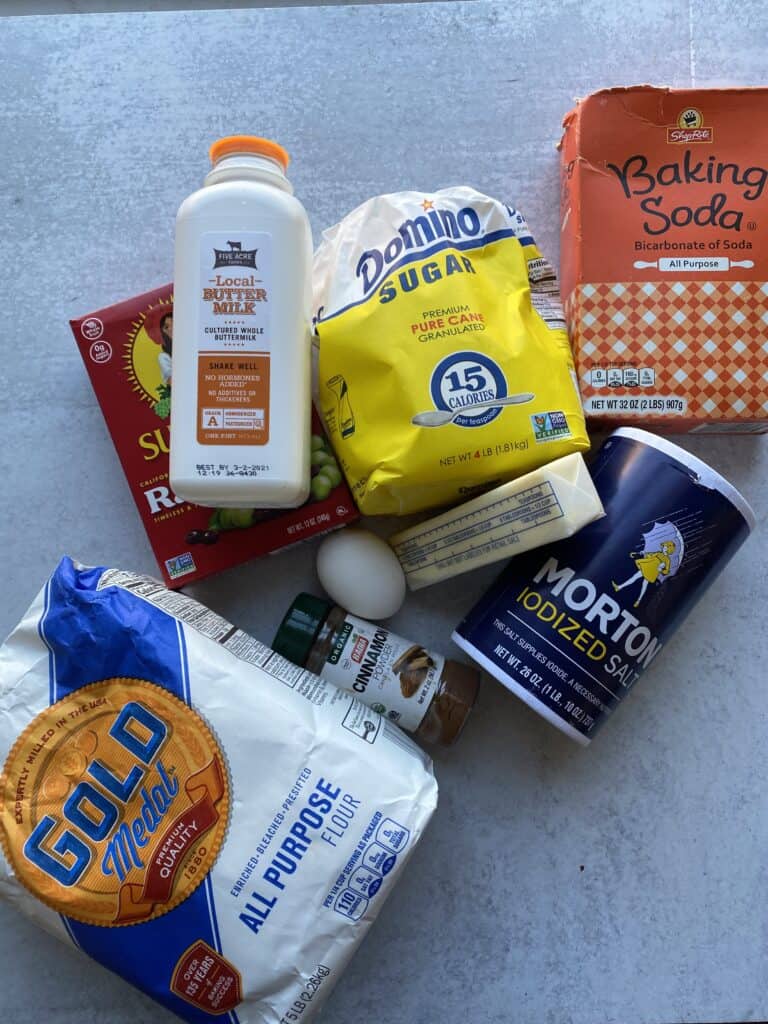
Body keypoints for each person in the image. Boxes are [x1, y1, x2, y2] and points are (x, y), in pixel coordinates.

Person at [612, 540, 676, 608]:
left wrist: (662, 569)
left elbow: (667, 571)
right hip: (647, 567)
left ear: (669, 550)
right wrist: (642, 553)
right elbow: (650, 555)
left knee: (644, 585)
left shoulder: (667, 560)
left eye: (665, 547)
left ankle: (638, 601)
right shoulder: (659, 553)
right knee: (635, 578)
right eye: (664, 546)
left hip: (652, 572)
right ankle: (619, 587)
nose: (663, 548)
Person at [143, 305, 173, 384]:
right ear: (163, 332)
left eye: (174, 322)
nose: (171, 328)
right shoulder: (164, 357)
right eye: (166, 327)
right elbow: (171, 381)